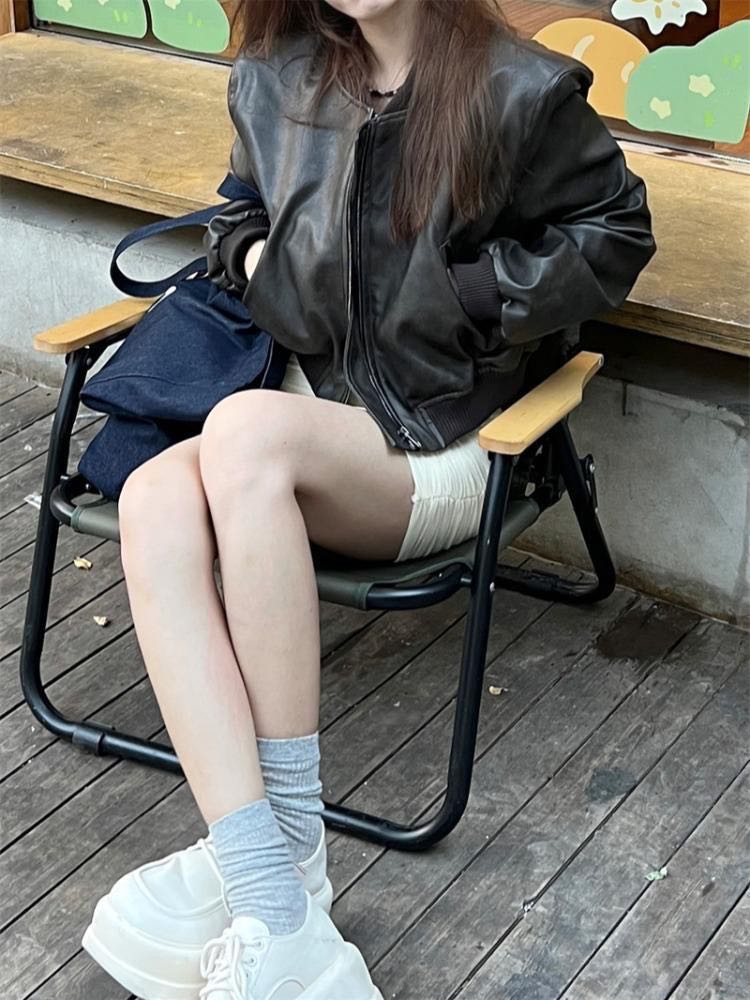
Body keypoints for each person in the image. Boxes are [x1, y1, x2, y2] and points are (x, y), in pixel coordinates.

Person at [82, 1, 656, 998]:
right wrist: (252, 257)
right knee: (155, 499)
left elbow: (614, 233)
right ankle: (272, 884)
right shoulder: (278, 75)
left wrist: (472, 296)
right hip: (305, 421)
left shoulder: (519, 90)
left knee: (243, 434)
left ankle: (278, 872)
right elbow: (239, 210)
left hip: (448, 438)